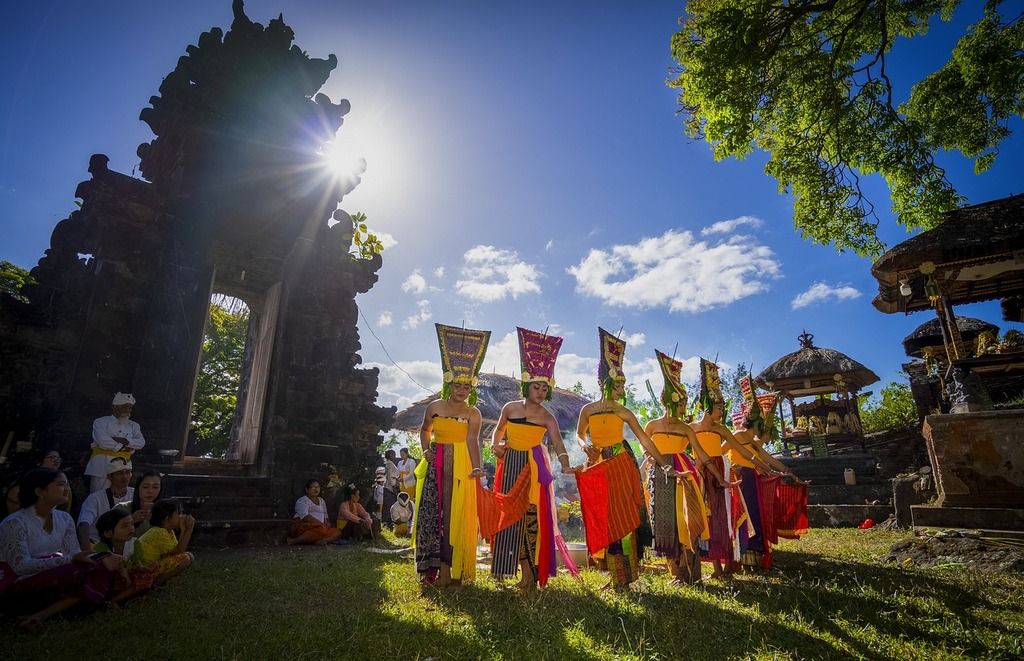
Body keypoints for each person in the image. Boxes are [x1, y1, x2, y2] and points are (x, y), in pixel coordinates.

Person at [575, 328, 677, 592]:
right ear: (604, 383)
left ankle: (626, 577)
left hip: (621, 463)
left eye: (622, 384)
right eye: (618, 384)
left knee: (624, 516)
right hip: (597, 464)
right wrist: (585, 446)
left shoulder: (623, 411)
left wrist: (663, 461)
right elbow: (579, 434)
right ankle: (614, 575)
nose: (622, 388)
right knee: (605, 517)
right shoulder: (588, 409)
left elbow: (644, 439)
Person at [488, 327, 580, 592]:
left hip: (535, 465)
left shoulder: (547, 416)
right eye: (536, 387)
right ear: (527, 385)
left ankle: (529, 576)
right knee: (509, 515)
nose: (540, 392)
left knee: (530, 518)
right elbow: (499, 429)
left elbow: (559, 443)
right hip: (510, 464)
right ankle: (507, 569)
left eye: (544, 388)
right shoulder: (510, 408)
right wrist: (496, 444)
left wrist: (564, 463)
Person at [643, 350, 732, 585]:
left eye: (684, 403)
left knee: (686, 520)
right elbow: (647, 451)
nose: (684, 407)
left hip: (684, 473)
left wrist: (719, 478)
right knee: (664, 522)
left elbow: (701, 455)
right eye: (681, 402)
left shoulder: (686, 429)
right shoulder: (651, 426)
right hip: (660, 474)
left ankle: (691, 576)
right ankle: (678, 573)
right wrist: (648, 465)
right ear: (669, 401)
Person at [0, 468, 123, 629]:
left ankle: (41, 615)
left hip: (50, 574)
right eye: (60, 484)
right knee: (78, 573)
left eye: (67, 484)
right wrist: (69, 560)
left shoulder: (64, 518)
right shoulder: (15, 523)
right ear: (40, 491)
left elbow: (74, 553)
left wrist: (103, 556)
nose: (67, 489)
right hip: (15, 582)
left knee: (99, 567)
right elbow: (21, 566)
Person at [414, 323, 488, 587]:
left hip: (461, 465)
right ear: (449, 384)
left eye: (466, 387)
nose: (462, 391)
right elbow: (425, 431)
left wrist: (477, 467)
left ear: (472, 389)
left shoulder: (473, 413)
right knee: (432, 514)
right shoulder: (434, 406)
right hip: (436, 462)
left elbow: (472, 440)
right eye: (458, 385)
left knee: (457, 515)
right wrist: (425, 449)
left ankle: (454, 572)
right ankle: (430, 573)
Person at [691, 359, 779, 578]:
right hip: (700, 472)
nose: (721, 410)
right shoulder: (690, 428)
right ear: (708, 406)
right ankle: (710, 567)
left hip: (721, 471)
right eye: (719, 407)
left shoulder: (722, 429)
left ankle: (726, 565)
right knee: (705, 518)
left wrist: (762, 466)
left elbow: (745, 450)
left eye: (722, 407)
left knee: (723, 517)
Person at [731, 380, 805, 571]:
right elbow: (721, 452)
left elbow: (770, 460)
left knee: (755, 515)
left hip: (751, 480)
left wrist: (788, 472)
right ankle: (739, 555)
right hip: (737, 479)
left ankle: (752, 555)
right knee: (741, 516)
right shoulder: (736, 435)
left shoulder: (753, 442)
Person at [85, 392, 145, 492]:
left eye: (130, 407)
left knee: (121, 494)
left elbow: (141, 443)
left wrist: (126, 440)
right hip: (102, 465)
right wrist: (125, 447)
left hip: (124, 465)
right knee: (98, 493)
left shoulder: (134, 425)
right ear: (114, 407)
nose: (127, 410)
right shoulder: (100, 422)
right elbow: (103, 441)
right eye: (124, 407)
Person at [77, 457, 134, 549]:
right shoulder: (95, 498)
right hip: (99, 545)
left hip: (128, 546)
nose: (125, 477)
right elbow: (83, 523)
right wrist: (86, 546)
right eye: (119, 473)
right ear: (109, 477)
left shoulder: (136, 495)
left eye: (127, 472)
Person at [135, 499, 194, 585]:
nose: (182, 516)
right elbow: (180, 551)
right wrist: (189, 529)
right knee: (185, 559)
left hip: (152, 566)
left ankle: (159, 581)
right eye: (178, 514)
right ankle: (156, 583)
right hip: (144, 570)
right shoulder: (159, 532)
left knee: (188, 556)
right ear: (167, 519)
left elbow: (176, 551)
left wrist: (184, 529)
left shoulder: (168, 531)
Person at [287, 479, 342, 546]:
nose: (316, 489)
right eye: (313, 487)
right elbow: (305, 517)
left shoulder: (321, 501)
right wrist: (320, 524)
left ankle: (322, 540)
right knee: (320, 530)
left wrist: (327, 523)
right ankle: (293, 541)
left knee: (338, 531)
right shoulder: (302, 500)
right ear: (307, 490)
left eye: (318, 487)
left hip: (320, 527)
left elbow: (325, 515)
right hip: (304, 526)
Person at [130, 471, 163, 537]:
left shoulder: (165, 512)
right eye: (145, 487)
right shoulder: (122, 508)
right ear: (138, 487)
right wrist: (131, 521)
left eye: (155, 487)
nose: (150, 491)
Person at [382, 449, 400, 525]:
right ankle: (386, 521)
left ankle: (388, 521)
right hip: (390, 487)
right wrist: (394, 488)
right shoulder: (389, 464)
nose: (395, 456)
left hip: (392, 486)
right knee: (389, 505)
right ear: (390, 455)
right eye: (393, 454)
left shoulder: (391, 463)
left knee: (390, 504)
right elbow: (389, 477)